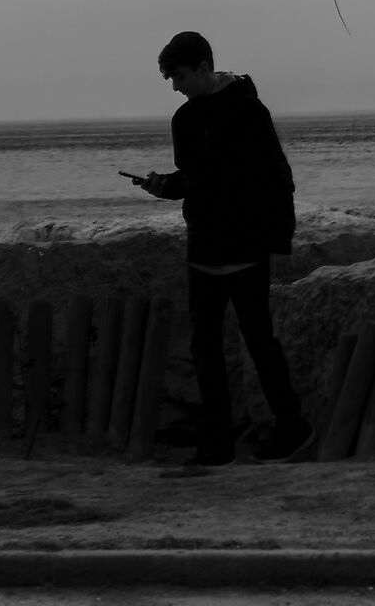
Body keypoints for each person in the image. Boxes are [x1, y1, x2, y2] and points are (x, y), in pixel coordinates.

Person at [126, 31, 312, 465]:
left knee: (260, 342)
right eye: (171, 78)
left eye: (181, 76)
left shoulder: (249, 110)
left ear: (205, 67)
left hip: (247, 248)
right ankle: (217, 444)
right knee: (205, 349)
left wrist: (280, 242)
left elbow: (277, 179)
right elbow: (194, 180)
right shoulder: (184, 120)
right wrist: (162, 186)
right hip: (203, 249)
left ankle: (293, 428)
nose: (176, 86)